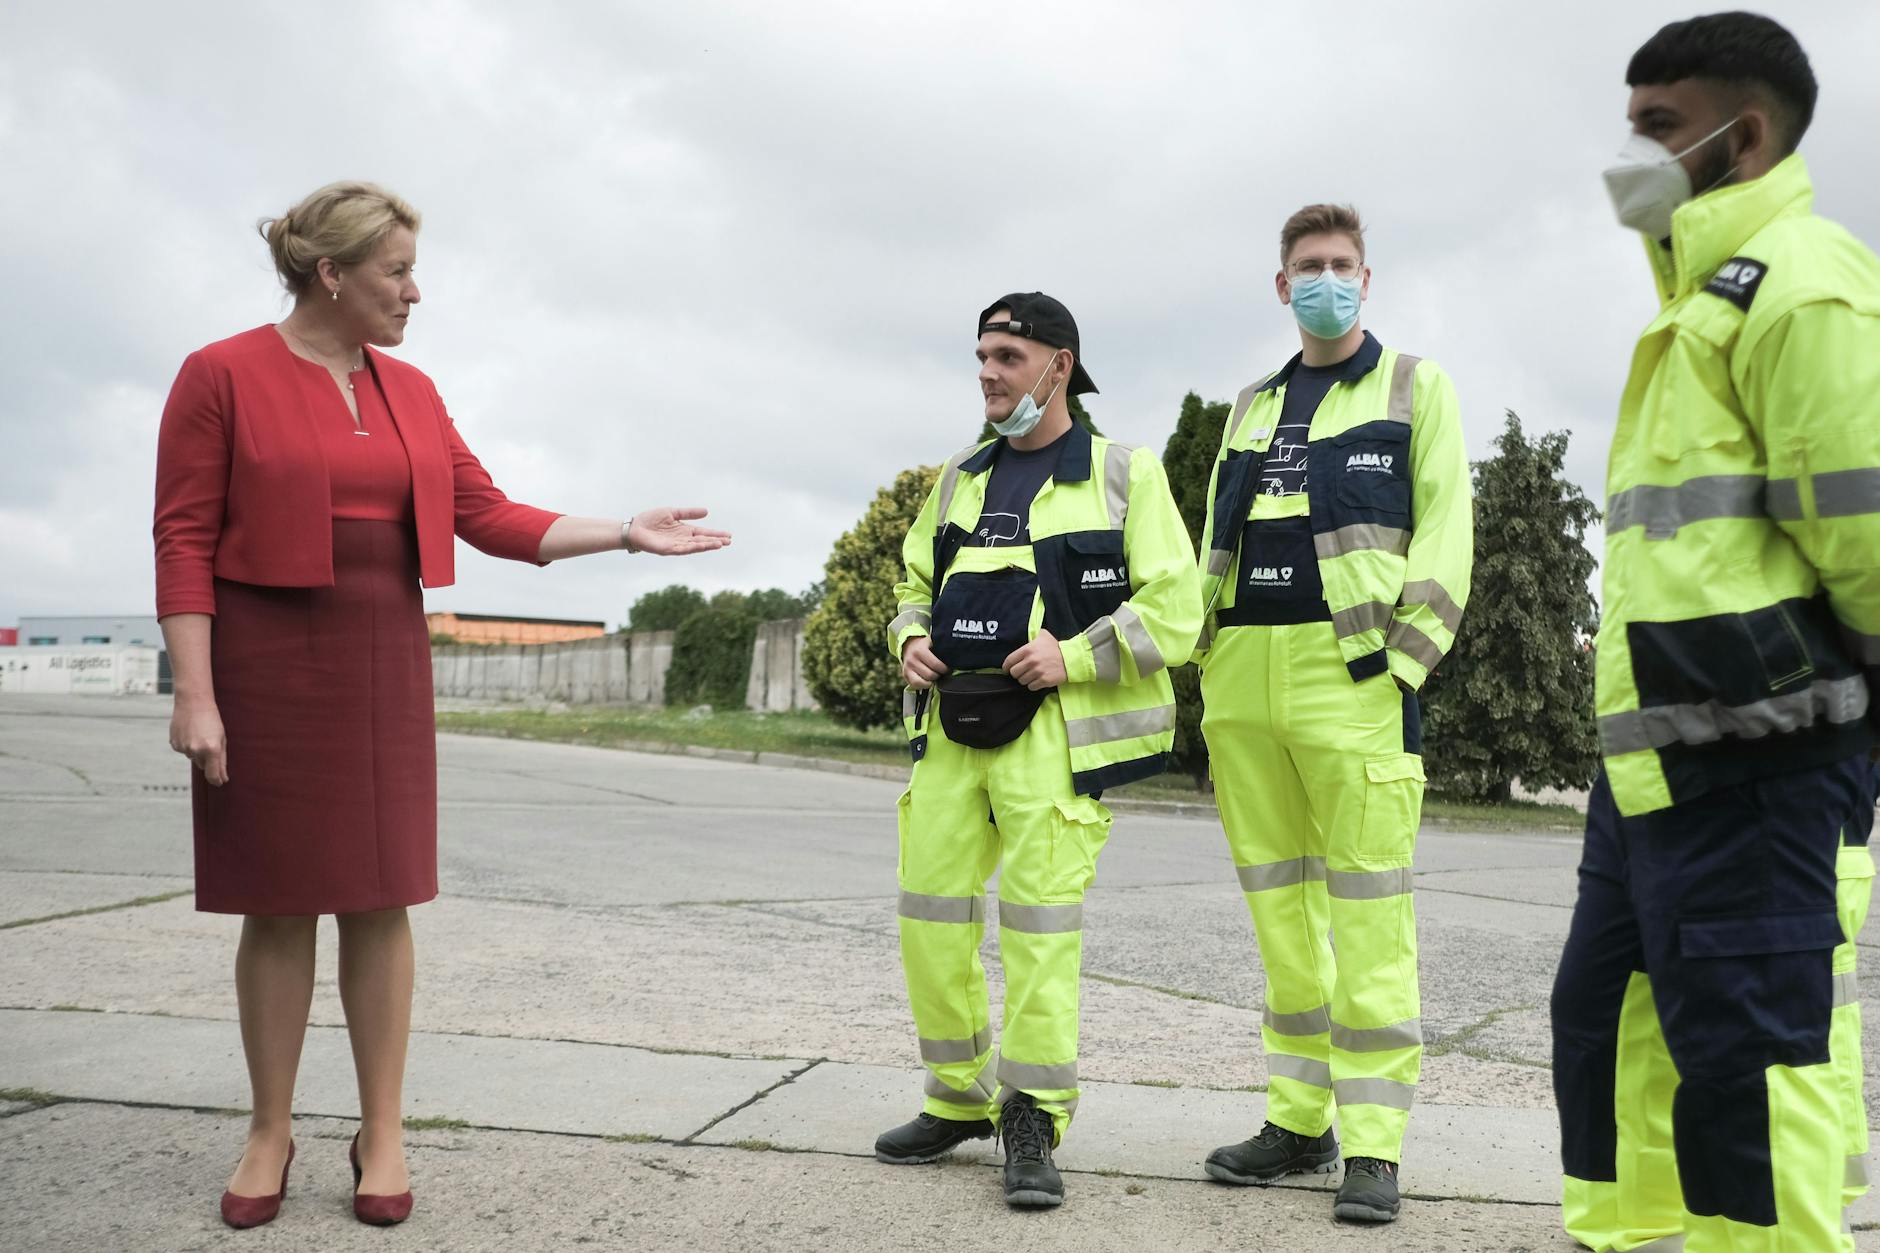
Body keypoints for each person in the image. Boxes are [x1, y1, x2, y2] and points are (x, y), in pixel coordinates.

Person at [153, 180, 730, 1230]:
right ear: (331, 274)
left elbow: (487, 512)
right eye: (396, 272)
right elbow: (183, 538)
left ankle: (382, 1129)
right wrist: (195, 692)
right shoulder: (219, 375)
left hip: (381, 664)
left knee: (380, 897)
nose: (415, 292)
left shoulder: (411, 390)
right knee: (276, 902)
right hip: (264, 668)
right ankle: (269, 1127)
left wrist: (624, 532)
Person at [1551, 13, 1880, 1251]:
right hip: (1648, 760)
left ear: (1739, 138)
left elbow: (1864, 537)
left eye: (1656, 128)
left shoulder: (1806, 284)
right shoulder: (1696, 302)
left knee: (1750, 1065)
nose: (1627, 155)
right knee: (1608, 1034)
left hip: (1756, 757)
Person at [875, 292, 1200, 1209]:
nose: (988, 371)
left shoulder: (1124, 473)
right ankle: (957, 1097)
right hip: (949, 740)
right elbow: (909, 583)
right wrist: (907, 639)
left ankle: (1034, 1116)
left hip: (1053, 744)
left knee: (1038, 932)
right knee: (929, 923)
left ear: (1060, 365)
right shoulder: (957, 480)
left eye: (1008, 356)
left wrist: (1076, 653)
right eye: (981, 354)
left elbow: (1177, 606)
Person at [1190, 204, 1473, 1224]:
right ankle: (1296, 1117)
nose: (1322, 278)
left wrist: (1399, 666)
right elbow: (1215, 544)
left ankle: (1373, 1145)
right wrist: (1205, 656)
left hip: (1347, 675)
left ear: (1365, 277)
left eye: (1338, 264)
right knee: (1281, 914)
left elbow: (1445, 534)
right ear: (1280, 285)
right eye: (1305, 266)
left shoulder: (1413, 387)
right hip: (1244, 678)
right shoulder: (1249, 404)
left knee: (1367, 918)